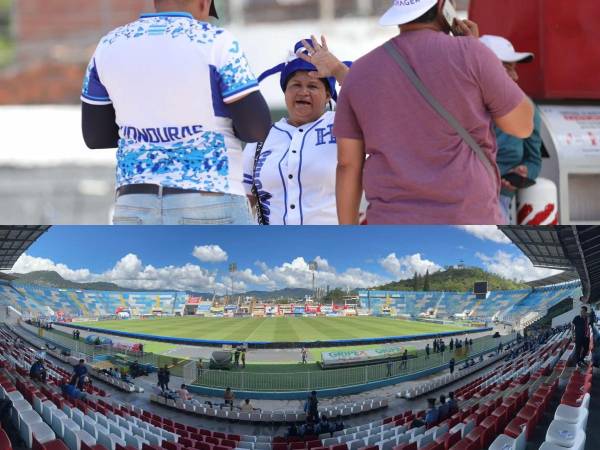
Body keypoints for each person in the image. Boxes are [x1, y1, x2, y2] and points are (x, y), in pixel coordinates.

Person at [334, 0, 534, 225]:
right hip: (469, 217)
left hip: (390, 220)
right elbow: (522, 124)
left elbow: (347, 164)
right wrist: (480, 52)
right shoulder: (472, 52)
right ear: (442, 7)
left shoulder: (359, 72)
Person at [81, 0, 271, 225]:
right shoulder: (216, 41)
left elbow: (95, 136)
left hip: (135, 200)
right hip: (211, 198)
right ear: (204, 2)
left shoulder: (108, 44)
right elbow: (257, 129)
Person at [243, 36, 350, 225]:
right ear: (285, 92)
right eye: (295, 85)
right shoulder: (261, 138)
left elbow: (378, 104)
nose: (303, 92)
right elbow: (242, 201)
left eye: (312, 86)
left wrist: (338, 70)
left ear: (327, 95)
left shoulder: (344, 125)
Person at [480, 35, 542, 223]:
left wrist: (524, 172)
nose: (515, 77)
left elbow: (533, 160)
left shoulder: (527, 107)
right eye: (507, 68)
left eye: (514, 69)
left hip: (500, 200)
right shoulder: (461, 106)